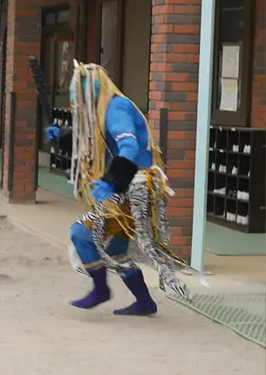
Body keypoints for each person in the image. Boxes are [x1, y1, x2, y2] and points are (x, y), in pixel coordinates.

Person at [45, 60, 192, 316]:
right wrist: (62, 135)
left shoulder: (117, 108)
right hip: (133, 187)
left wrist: (112, 183)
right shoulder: (105, 109)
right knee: (115, 249)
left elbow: (129, 148)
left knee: (81, 233)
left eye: (79, 94)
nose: (77, 101)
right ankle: (145, 302)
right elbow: (96, 141)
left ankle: (101, 289)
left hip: (135, 188)